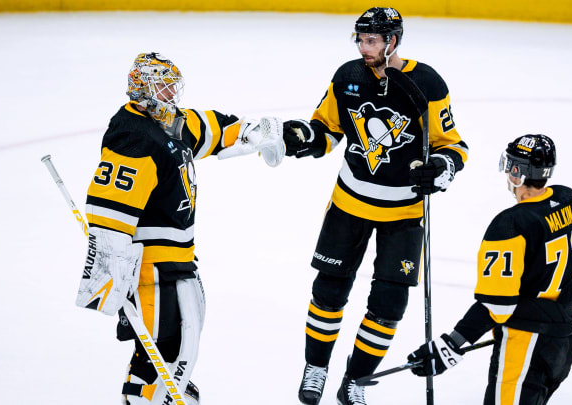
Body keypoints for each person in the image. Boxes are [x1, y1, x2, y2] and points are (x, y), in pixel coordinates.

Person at [282, 7, 469, 405]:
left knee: (389, 305)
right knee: (328, 292)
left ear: (393, 41)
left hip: (403, 214)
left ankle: (356, 380)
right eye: (360, 40)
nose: (363, 47)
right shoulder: (347, 76)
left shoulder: (427, 83)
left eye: (372, 41)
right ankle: (316, 367)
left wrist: (441, 168)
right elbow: (328, 129)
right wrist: (305, 137)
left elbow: (453, 146)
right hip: (349, 204)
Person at [75, 52, 284, 404]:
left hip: (177, 256)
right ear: (143, 88)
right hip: (149, 263)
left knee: (182, 337)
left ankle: (164, 389)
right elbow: (109, 210)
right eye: (164, 87)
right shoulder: (133, 136)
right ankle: (143, 396)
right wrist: (110, 273)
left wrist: (247, 132)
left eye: (174, 87)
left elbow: (206, 127)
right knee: (160, 346)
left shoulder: (166, 120)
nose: (172, 94)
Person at [407, 134, 572, 404]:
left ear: (517, 173)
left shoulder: (510, 225)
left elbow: (497, 305)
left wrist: (451, 344)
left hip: (524, 348)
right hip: (564, 345)